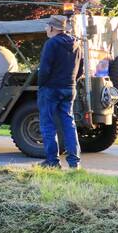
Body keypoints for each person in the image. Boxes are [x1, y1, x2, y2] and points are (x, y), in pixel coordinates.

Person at [36, 14, 82, 169]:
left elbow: (45, 69)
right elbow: (80, 69)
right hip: (70, 88)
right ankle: (74, 162)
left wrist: (41, 85)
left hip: (51, 88)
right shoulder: (76, 44)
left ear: (51, 28)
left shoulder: (51, 43)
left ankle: (52, 161)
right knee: (69, 123)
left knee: (47, 123)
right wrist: (72, 82)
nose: (45, 29)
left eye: (46, 26)